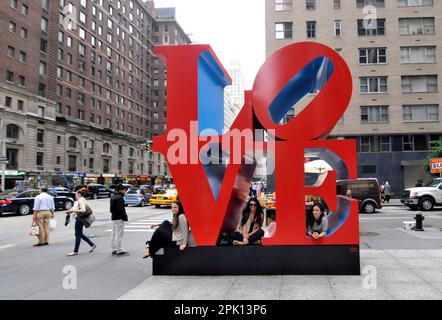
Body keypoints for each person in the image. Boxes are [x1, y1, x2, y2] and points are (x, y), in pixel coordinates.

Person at [66, 188, 97, 256]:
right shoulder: (81, 199)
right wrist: (70, 211)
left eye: (76, 194)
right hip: (80, 218)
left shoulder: (80, 200)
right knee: (80, 234)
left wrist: (74, 211)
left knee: (77, 234)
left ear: (79, 194)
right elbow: (76, 208)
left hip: (80, 219)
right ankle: (92, 244)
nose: (75, 195)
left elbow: (83, 210)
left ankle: (75, 251)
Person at [110, 184, 128, 256]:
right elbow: (121, 210)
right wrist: (124, 217)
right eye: (124, 190)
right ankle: (119, 250)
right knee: (119, 234)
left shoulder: (113, 196)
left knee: (114, 234)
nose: (125, 192)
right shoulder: (120, 198)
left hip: (114, 217)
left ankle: (114, 248)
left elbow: (111, 209)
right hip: (119, 218)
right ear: (120, 190)